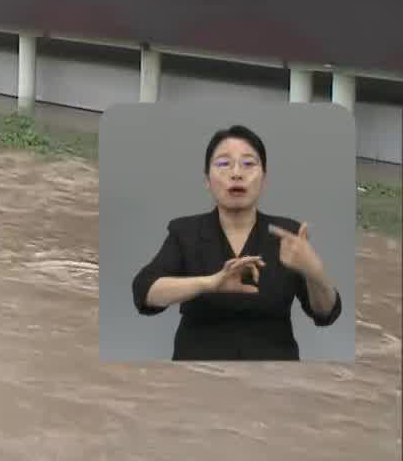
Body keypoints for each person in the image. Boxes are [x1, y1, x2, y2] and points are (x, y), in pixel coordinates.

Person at [131, 124, 342, 360]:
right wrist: (210, 283)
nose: (236, 173)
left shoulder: (288, 235)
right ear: (207, 180)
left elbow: (325, 313)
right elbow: (144, 291)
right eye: (223, 164)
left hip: (273, 374)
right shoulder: (186, 232)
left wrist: (315, 272)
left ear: (264, 179)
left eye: (249, 164)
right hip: (197, 372)